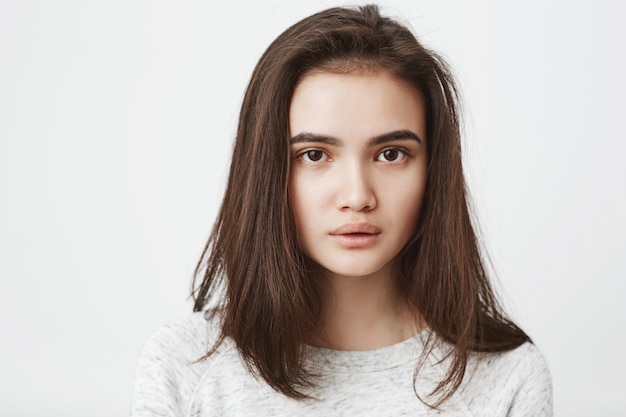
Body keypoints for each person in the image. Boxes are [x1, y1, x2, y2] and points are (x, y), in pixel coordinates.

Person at [131, 4, 552, 416]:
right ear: (265, 171)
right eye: (314, 155)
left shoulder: (506, 376)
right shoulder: (184, 368)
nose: (357, 195)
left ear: (434, 171)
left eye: (391, 154)